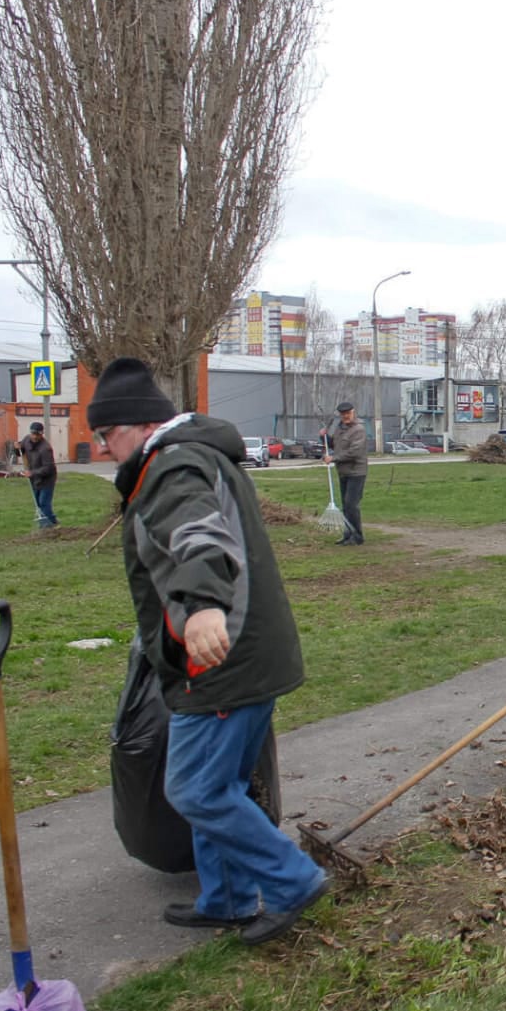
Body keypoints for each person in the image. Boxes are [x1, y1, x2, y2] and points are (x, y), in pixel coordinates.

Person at [87, 357, 327, 946]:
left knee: (196, 789)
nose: (100, 449)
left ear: (140, 426)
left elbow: (199, 534)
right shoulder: (195, 454)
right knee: (225, 786)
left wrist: (199, 607)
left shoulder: (173, 465)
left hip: (219, 659)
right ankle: (229, 898)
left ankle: (294, 880)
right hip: (249, 654)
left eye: (105, 435)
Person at [325, 401, 367, 546]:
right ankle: (348, 535)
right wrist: (324, 437)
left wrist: (334, 458)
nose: (346, 416)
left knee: (351, 504)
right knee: (345, 505)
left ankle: (357, 536)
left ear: (353, 412)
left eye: (348, 413)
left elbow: (354, 452)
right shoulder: (339, 428)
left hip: (356, 471)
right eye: (343, 414)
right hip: (343, 472)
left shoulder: (358, 429)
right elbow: (334, 445)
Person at [16, 421, 58, 528]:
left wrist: (32, 473)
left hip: (47, 479)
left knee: (44, 502)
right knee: (38, 504)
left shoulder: (45, 448)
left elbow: (48, 468)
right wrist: (16, 448)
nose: (34, 437)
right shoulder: (26, 440)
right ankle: (52, 523)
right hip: (34, 478)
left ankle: (49, 526)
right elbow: (21, 451)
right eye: (33, 434)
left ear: (41, 434)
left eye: (37, 434)